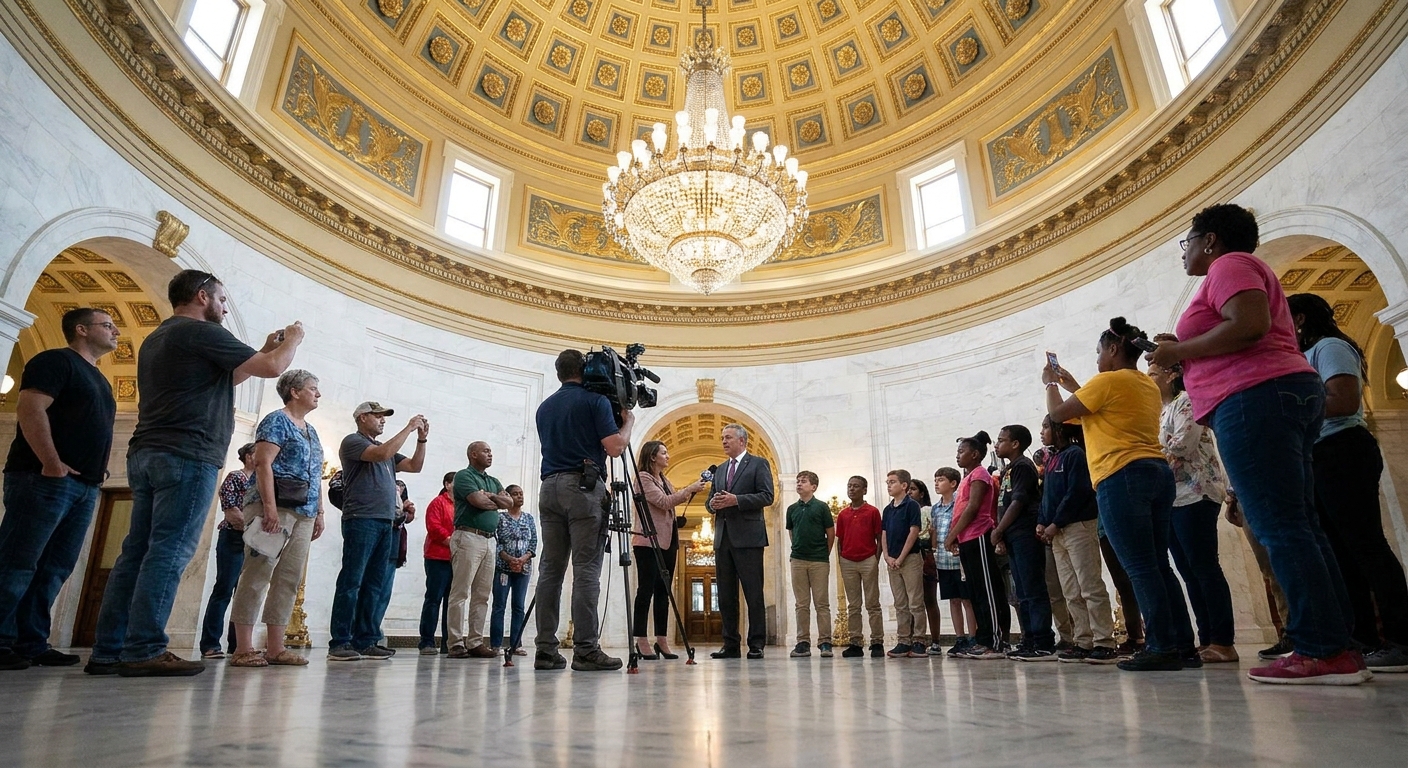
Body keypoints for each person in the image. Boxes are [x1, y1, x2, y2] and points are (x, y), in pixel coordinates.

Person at [1150, 203, 1365, 684]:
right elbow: (1238, 328)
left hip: (1254, 398)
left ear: (1210, 240)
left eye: (1188, 242)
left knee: (1280, 526)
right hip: (1274, 395)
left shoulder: (1229, 265)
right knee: (1299, 524)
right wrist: (1183, 352)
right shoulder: (1238, 269)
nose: (1185, 253)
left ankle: (1321, 648)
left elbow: (1249, 325)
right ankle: (1336, 644)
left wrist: (1179, 351)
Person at [87, 270, 303, 677]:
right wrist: (293, 337)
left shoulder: (160, 336)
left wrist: (258, 349)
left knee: (136, 550)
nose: (224, 307)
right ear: (202, 296)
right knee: (170, 550)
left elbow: (228, 377)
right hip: (188, 452)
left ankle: (109, 649)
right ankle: (145, 648)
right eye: (222, 299)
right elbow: (274, 367)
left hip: (148, 451)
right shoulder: (201, 331)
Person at [1046, 317, 1195, 672]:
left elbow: (1056, 415)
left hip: (1120, 476)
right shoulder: (1144, 384)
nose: (1097, 358)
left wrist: (1050, 383)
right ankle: (1182, 644)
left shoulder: (1106, 382)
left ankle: (1160, 646)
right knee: (1158, 564)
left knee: (1140, 567)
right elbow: (1101, 412)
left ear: (1113, 350)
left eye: (1099, 351)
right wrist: (1073, 383)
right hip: (1156, 472)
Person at [1290, 292, 1408, 671]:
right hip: (1319, 455)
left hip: (1343, 448)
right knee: (1340, 553)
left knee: (1366, 545)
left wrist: (1288, 406)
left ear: (1301, 319)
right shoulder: (1305, 356)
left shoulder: (1331, 346)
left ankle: (1402, 638)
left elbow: (1342, 399)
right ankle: (1363, 639)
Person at [0, 308, 118, 671]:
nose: (115, 330)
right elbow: (31, 409)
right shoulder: (55, 361)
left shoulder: (100, 379)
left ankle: (31, 641)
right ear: (81, 330)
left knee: (55, 567)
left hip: (84, 486)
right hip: (43, 479)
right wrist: (51, 462)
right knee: (18, 562)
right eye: (107, 325)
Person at [533, 349, 634, 672]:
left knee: (550, 570)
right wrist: (628, 422)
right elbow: (616, 448)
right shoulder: (595, 401)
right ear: (585, 369)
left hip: (549, 487)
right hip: (583, 487)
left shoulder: (544, 407)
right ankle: (586, 649)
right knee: (586, 570)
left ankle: (546, 649)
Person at [1148, 340, 1238, 664]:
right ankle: (1207, 639)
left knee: (1204, 567)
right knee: (1187, 571)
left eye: (1154, 372)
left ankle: (1224, 640)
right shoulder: (1161, 411)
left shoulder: (1188, 400)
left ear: (1172, 374)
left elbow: (1182, 445)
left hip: (1197, 492)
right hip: (1173, 497)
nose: (1149, 378)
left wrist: (1148, 456)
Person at [227, 370, 325, 668]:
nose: (318, 394)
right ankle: (243, 647)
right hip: (274, 507)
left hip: (304, 512)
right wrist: (269, 507)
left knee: (288, 579)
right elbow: (263, 463)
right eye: (313, 388)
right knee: (258, 573)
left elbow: (316, 473)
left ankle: (275, 647)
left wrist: (319, 512)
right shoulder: (276, 420)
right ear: (294, 392)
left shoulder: (312, 430)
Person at [327, 403, 428, 662]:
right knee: (352, 581)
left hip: (386, 522)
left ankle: (366, 639)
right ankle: (340, 641)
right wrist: (408, 426)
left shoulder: (387, 452)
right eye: (378, 416)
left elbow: (415, 466)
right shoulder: (354, 441)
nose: (383, 421)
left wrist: (422, 438)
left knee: (374, 583)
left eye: (385, 417)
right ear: (362, 417)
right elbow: (381, 453)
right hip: (361, 519)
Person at [1036, 418, 1119, 665]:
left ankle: (1104, 641)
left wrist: (1056, 522)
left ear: (1060, 429)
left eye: (1046, 427)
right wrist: (1042, 520)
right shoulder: (1052, 459)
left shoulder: (1075, 455)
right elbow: (1047, 496)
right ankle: (1083, 640)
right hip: (1057, 532)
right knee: (1070, 590)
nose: (1042, 433)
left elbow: (1077, 493)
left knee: (1089, 585)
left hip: (1078, 527)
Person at [631, 441, 705, 660]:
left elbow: (669, 505)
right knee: (645, 591)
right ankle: (640, 639)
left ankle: (661, 640)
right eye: (664, 452)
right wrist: (690, 488)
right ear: (653, 456)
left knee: (664, 591)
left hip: (668, 540)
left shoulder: (664, 479)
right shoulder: (643, 478)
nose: (668, 455)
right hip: (647, 541)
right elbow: (663, 502)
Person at [709, 423, 776, 659]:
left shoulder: (758, 464)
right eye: (722, 438)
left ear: (742, 441)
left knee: (753, 592)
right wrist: (713, 504)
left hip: (749, 538)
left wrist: (736, 500)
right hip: (722, 539)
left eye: (728, 437)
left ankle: (756, 643)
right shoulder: (719, 469)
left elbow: (767, 496)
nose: (724, 441)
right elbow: (711, 501)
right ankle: (730, 644)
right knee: (725, 595)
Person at [992, 424, 1054, 661]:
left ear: (1015, 443)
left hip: (1025, 534)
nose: (997, 445)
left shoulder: (1023, 467)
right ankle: (1029, 639)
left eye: (1001, 440)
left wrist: (998, 530)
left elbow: (1018, 501)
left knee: (1033, 588)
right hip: (1013, 535)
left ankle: (1043, 641)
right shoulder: (1009, 468)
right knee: (1022, 591)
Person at [945, 432, 1009, 659]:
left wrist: (951, 535)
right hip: (968, 539)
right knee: (976, 591)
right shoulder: (968, 476)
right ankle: (983, 639)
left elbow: (972, 508)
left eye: (962, 451)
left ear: (975, 454)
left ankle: (995, 641)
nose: (958, 456)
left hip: (979, 535)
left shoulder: (980, 474)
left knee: (987, 590)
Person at [446, 441, 510, 659]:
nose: (490, 454)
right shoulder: (464, 476)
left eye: (491, 451)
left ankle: (474, 642)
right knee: (460, 592)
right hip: (468, 537)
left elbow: (508, 502)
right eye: (486, 451)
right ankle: (455, 642)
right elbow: (477, 501)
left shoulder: (492, 480)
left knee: (482, 594)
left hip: (489, 540)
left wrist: (491, 497)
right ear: (473, 454)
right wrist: (494, 500)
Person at [199, 443, 255, 660]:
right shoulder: (235, 478)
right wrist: (254, 528)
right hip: (233, 538)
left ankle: (238, 645)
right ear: (249, 457)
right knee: (224, 589)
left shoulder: (261, 481)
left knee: (245, 593)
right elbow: (232, 512)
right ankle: (210, 644)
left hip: (252, 540)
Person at [787, 470, 834, 659]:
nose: (799, 484)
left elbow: (830, 533)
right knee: (801, 604)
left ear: (813, 486)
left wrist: (824, 553)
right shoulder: (792, 509)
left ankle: (825, 642)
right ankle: (803, 642)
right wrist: (798, 549)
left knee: (821, 603)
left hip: (819, 560)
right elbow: (792, 532)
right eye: (798, 481)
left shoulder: (822, 507)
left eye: (803, 481)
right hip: (798, 559)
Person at [835, 476, 884, 658]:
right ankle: (855, 642)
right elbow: (840, 540)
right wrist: (841, 559)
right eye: (849, 486)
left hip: (868, 559)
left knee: (873, 603)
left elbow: (879, 537)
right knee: (853, 605)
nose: (851, 489)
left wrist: (875, 558)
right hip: (848, 561)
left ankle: (877, 641)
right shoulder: (842, 514)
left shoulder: (872, 512)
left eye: (856, 486)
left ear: (864, 490)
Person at [880, 470, 924, 658]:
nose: (889, 485)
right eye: (887, 482)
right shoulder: (888, 509)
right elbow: (883, 534)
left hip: (910, 559)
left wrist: (901, 557)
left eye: (892, 482)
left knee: (915, 602)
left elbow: (913, 532)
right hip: (893, 561)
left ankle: (920, 640)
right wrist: (887, 556)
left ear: (904, 485)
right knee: (900, 603)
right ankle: (903, 640)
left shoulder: (911, 505)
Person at [932, 468, 975, 657]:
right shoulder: (935, 507)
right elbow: (933, 531)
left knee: (967, 599)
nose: (936, 483)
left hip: (959, 560)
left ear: (953, 483)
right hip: (943, 560)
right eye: (935, 480)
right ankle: (960, 638)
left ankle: (973, 637)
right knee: (953, 600)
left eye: (940, 480)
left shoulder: (961, 502)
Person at [491, 485, 537, 655]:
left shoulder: (529, 519)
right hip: (503, 567)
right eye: (515, 494)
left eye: (521, 494)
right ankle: (495, 645)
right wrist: (509, 559)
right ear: (508, 497)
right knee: (499, 605)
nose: (519, 497)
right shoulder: (500, 518)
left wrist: (522, 559)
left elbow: (533, 544)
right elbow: (497, 542)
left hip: (523, 569)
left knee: (518, 606)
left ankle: (516, 644)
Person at [418, 472, 455, 655]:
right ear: (447, 484)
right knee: (434, 599)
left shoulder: (462, 506)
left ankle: (448, 643)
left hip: (456, 559)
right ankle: (427, 641)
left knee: (452, 601)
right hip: (437, 557)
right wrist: (451, 541)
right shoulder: (438, 503)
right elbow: (434, 527)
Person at [908, 479, 942, 655]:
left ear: (921, 493)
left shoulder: (927, 511)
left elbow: (932, 531)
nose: (909, 493)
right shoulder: (905, 511)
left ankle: (935, 641)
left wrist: (933, 551)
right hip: (909, 558)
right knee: (911, 602)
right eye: (908, 489)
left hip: (926, 555)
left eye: (913, 489)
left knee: (929, 599)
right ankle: (912, 638)